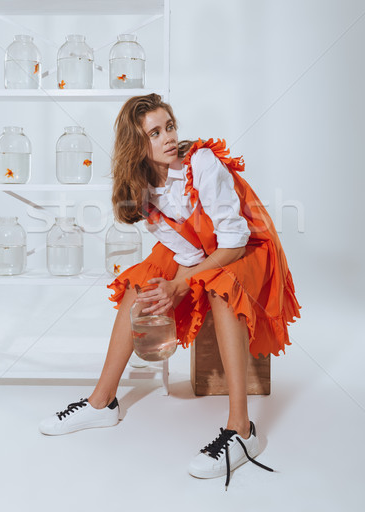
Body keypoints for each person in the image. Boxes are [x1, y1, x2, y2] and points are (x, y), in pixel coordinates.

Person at [39, 93, 301, 489]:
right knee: (138, 284)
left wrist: (184, 284)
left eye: (170, 127)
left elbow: (233, 241)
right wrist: (169, 286)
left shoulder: (201, 163)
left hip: (247, 247)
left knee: (220, 289)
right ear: (137, 146)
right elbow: (188, 249)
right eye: (155, 133)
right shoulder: (143, 188)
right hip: (202, 247)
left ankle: (241, 430)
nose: (168, 137)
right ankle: (101, 402)